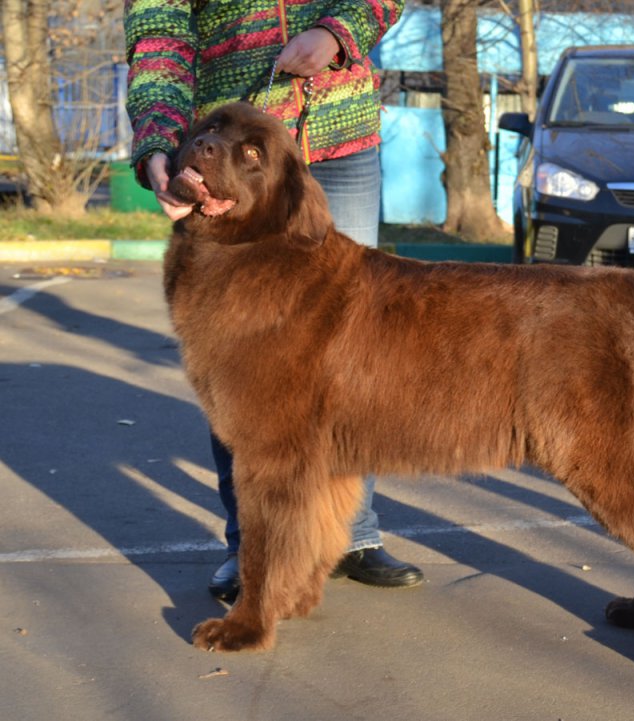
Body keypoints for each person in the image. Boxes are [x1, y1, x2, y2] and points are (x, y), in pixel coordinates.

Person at [124, 0, 423, 601]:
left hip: (340, 139)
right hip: (231, 151)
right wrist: (159, 142)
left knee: (352, 353)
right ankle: (251, 546)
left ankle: (352, 533)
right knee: (241, 358)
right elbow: (159, 32)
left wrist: (335, 33)